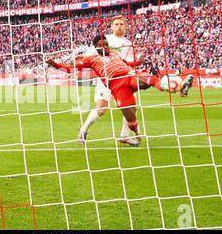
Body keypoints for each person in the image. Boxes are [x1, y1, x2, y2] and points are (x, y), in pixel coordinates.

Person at [47, 34, 194, 141]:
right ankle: (133, 132)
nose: (104, 46)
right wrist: (54, 64)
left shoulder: (115, 54)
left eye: (106, 44)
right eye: (101, 44)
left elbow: (128, 64)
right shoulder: (91, 59)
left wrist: (138, 61)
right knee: (130, 118)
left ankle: (180, 88)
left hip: (129, 75)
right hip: (116, 86)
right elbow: (69, 69)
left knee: (147, 79)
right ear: (96, 47)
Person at [79, 15, 143, 146]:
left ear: (125, 27)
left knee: (132, 108)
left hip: (123, 80)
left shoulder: (128, 44)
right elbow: (91, 54)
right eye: (116, 24)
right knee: (101, 110)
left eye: (121, 24)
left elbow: (126, 63)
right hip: (106, 80)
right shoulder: (105, 39)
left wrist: (138, 62)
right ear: (112, 26)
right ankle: (83, 130)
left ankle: (124, 136)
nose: (119, 26)